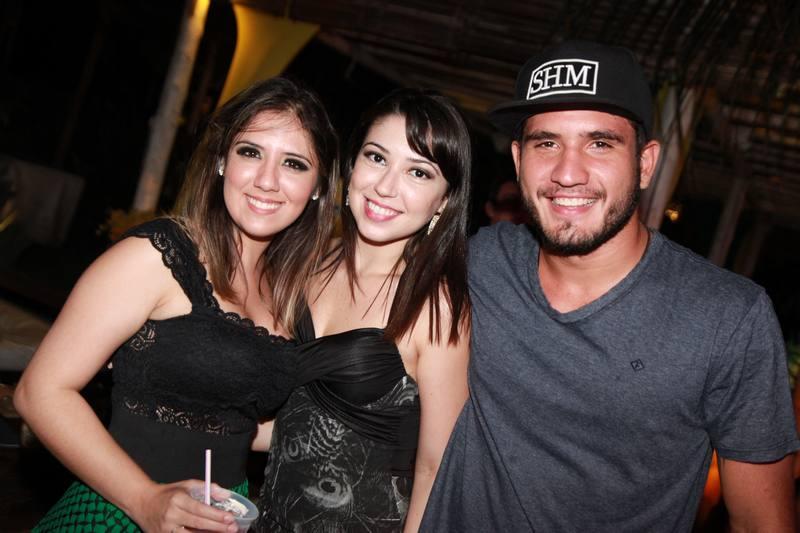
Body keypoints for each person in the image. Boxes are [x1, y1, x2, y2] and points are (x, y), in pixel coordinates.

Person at [420, 40, 799, 532]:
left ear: (645, 163)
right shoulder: (481, 262)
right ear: (518, 158)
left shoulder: (728, 318)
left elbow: (760, 523)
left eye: (599, 143)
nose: (567, 173)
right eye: (546, 143)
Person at [13, 76, 339, 532]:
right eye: (250, 152)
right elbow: (40, 392)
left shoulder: (290, 293)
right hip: (117, 511)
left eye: (294, 163)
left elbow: (236, 419)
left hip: (222, 517)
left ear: (318, 186)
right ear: (222, 161)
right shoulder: (157, 257)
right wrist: (145, 500)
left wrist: (358, 436)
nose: (267, 180)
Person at [254, 88, 472, 532]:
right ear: (352, 165)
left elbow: (435, 467)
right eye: (376, 158)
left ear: (445, 201)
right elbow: (285, 424)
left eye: (418, 172)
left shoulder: (436, 307)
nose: (386, 187)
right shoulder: (303, 262)